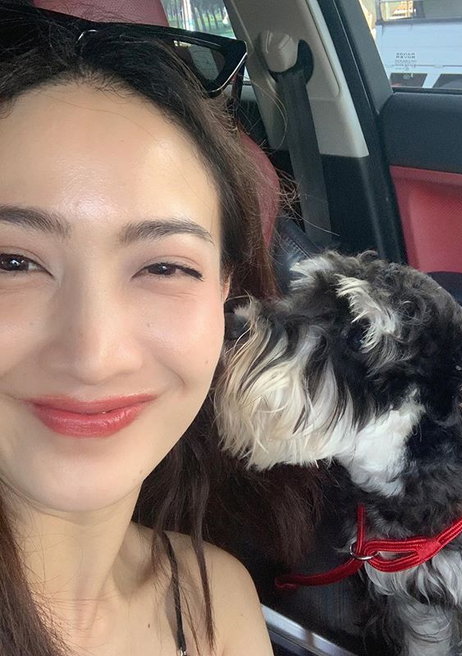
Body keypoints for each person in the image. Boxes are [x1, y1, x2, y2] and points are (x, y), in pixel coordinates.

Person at [0, 3, 286, 654]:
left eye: (164, 266)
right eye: (12, 262)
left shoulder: (218, 599)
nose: (94, 354)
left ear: (224, 291)